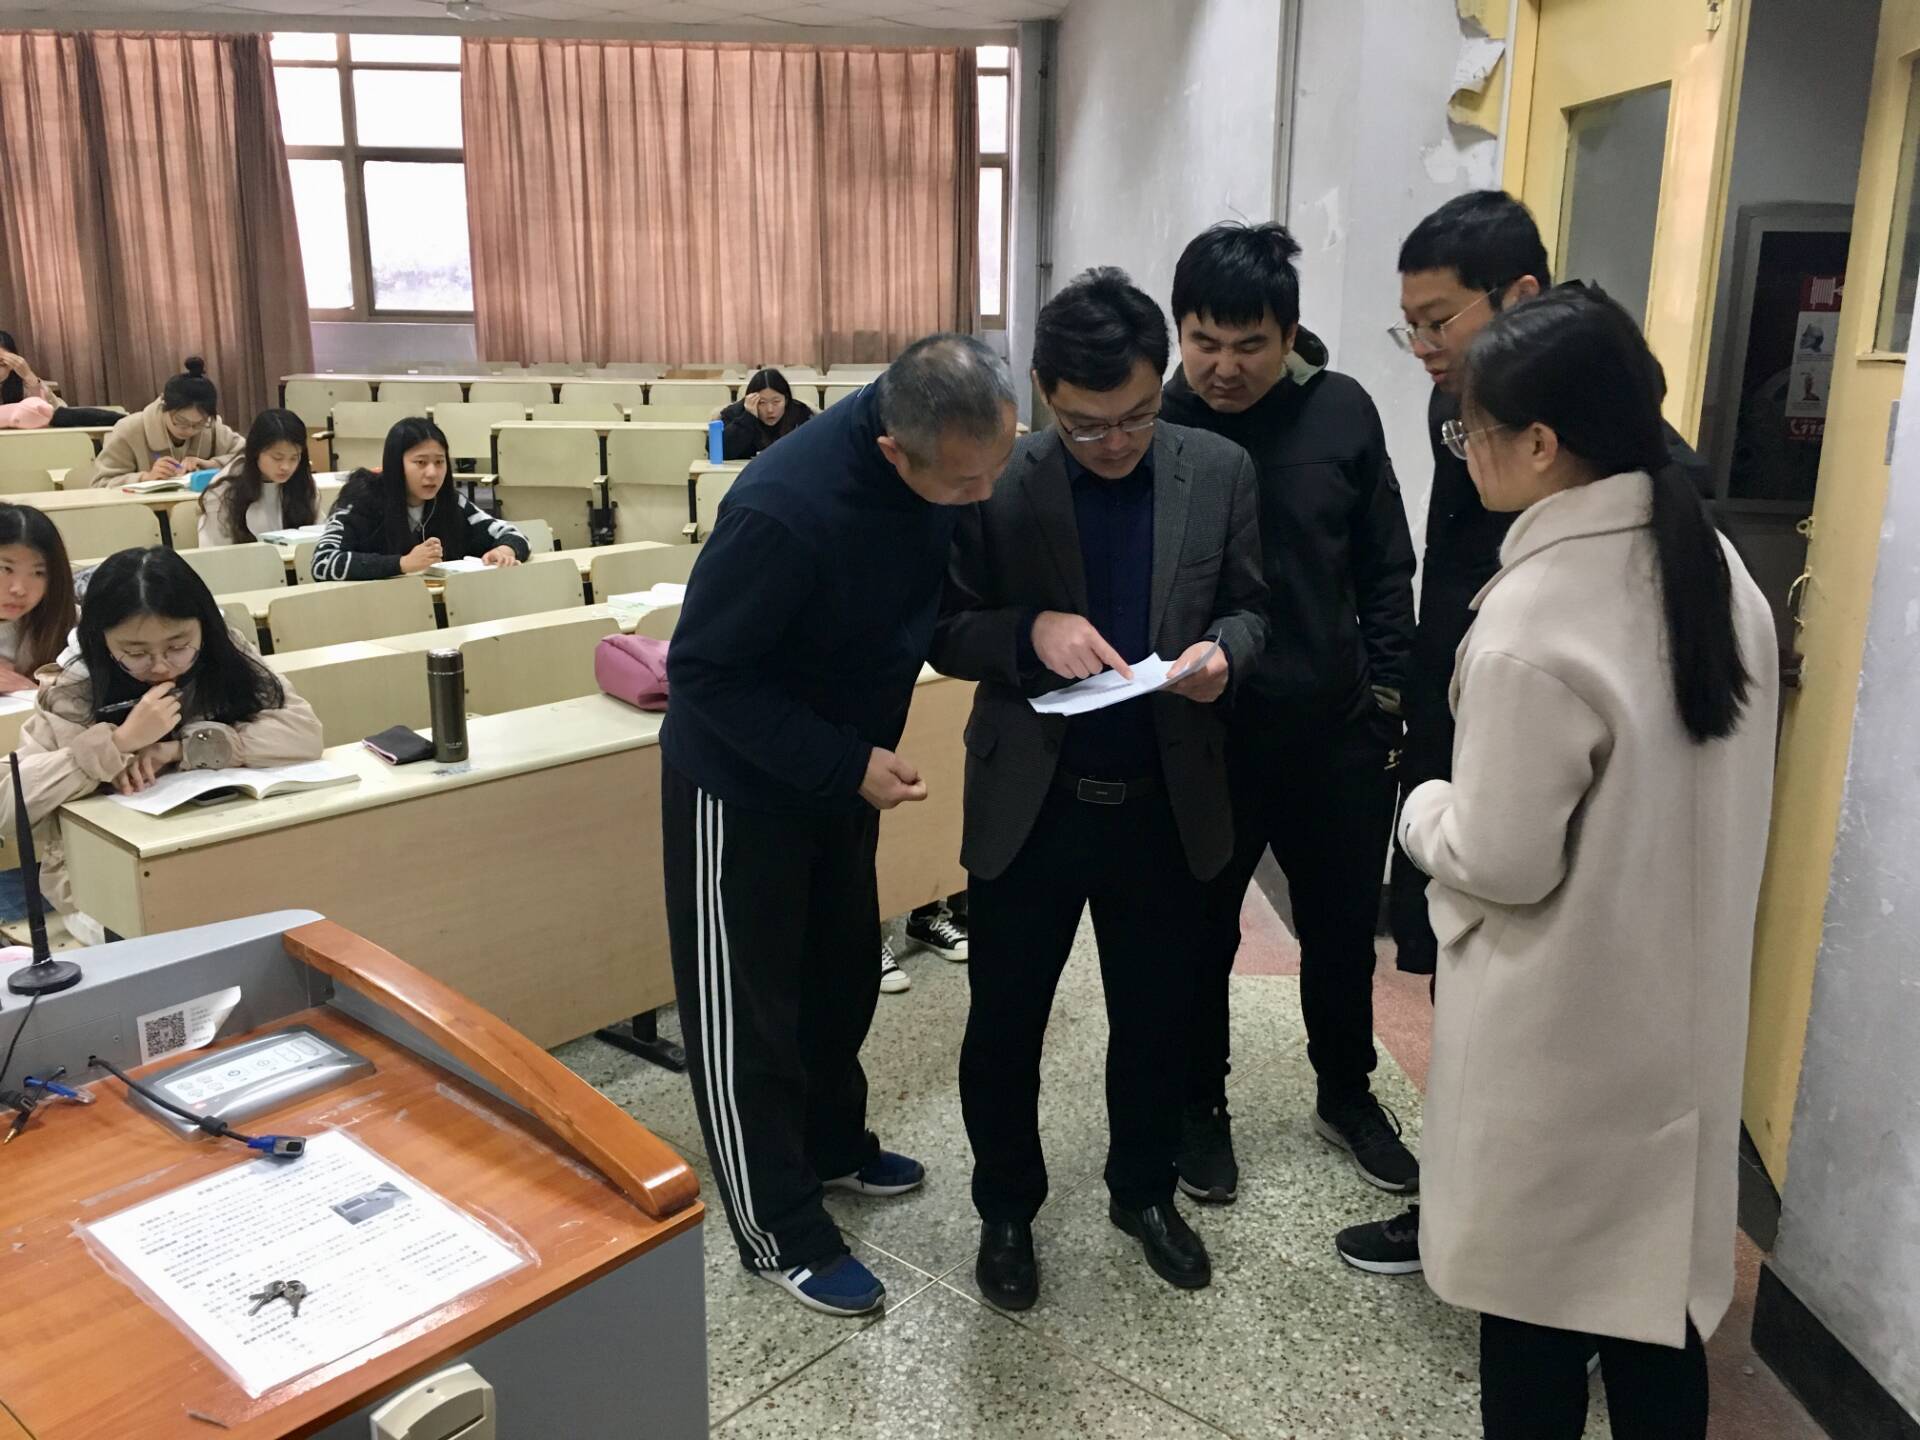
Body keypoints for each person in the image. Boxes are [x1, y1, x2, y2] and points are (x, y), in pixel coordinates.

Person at [1397, 286, 1776, 1439]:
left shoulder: (1534, 618)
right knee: (1653, 1316)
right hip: (1675, 1031)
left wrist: (1420, 810)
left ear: (1540, 444)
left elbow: (1502, 859)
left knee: (1535, 1317)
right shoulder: (1717, 572)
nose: (1463, 452)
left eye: (1469, 431)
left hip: (1562, 1038)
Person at [1341, 190, 1715, 1274]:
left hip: (1550, 763)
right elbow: (1454, 570)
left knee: (1548, 1029)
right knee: (1456, 987)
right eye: (1409, 326)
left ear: (1519, 296)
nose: (1423, 348)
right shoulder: (1458, 409)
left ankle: (1536, 1247)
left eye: (1439, 321)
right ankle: (1459, 1199)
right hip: (1472, 715)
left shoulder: (1633, 464)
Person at [660, 333, 1018, 1317]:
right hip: (740, 790)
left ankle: (830, 1148)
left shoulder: (933, 463)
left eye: (995, 467)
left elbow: (926, 611)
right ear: (898, 452)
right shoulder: (784, 508)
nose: (983, 496)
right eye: (965, 483)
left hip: (838, 778)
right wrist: (843, 761)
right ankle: (777, 1225)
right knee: (752, 1015)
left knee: (838, 979)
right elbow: (704, 675)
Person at [932, 269, 1267, 1308]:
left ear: (1161, 381)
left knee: (1158, 1017)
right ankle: (1006, 1208)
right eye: (1086, 425)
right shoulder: (1000, 479)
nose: (1115, 442)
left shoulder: (1218, 469)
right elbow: (945, 629)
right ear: (1042, 392)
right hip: (1034, 803)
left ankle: (1143, 1191)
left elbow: (1254, 609)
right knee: (1006, 1023)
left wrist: (1225, 653)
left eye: (1136, 416)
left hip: (1165, 799)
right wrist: (1028, 631)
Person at [1158, 223, 1417, 1207]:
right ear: (1180, 333)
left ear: (1289, 334)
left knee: (1343, 931)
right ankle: (1199, 1104)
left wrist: (1386, 700)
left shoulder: (1342, 412)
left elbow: (1386, 569)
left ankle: (1346, 1093)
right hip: (1209, 739)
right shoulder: (1161, 423)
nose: (1224, 367)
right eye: (1204, 342)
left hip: (1333, 733)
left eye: (1249, 345)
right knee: (1197, 936)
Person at [6, 546, 325, 942]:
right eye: (135, 652)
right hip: (105, 884)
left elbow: (303, 731)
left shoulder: (223, 651)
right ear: (102, 641)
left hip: (224, 845)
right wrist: (119, 742)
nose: (160, 666)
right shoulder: (75, 684)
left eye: (177, 646)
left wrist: (183, 749)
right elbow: (10, 802)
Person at [312, 417, 528, 581]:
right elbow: (322, 563)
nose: (432, 473)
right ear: (396, 464)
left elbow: (513, 534)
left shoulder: (451, 503)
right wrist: (402, 563)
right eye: (421, 462)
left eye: (439, 462)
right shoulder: (362, 500)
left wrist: (504, 551)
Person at [87, 358, 244, 487]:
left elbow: (247, 458)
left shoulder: (213, 428)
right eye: (180, 422)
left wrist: (211, 465)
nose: (189, 430)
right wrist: (145, 477)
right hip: (143, 512)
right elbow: (100, 484)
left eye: (198, 424)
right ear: (163, 405)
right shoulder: (129, 430)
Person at [198, 409, 319, 548]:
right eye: (277, 458)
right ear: (256, 452)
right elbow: (216, 550)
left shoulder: (302, 483)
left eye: (294, 458)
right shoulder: (225, 490)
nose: (286, 467)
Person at [0, 503, 77, 692]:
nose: (19, 589)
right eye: (5, 569)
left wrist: (30, 690)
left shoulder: (71, 624)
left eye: (38, 573)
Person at [719, 369, 814, 460]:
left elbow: (813, 450)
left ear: (786, 400)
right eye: (762, 402)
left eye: (776, 401)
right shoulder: (734, 414)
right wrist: (748, 417)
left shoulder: (800, 413)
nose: (770, 410)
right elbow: (720, 452)